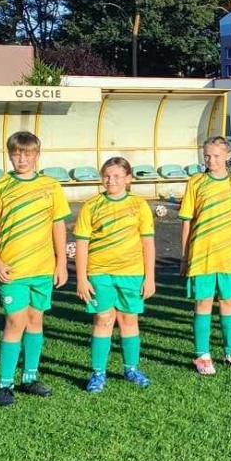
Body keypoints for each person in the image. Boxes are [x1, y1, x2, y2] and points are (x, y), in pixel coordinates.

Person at [0, 129, 73, 404]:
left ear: (37, 155)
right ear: (9, 155)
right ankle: (4, 384)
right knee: (15, 321)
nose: (22, 159)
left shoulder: (51, 186)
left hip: (43, 268)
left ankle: (29, 378)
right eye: (17, 154)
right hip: (12, 270)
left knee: (35, 320)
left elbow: (58, 225)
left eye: (28, 153)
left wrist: (61, 263)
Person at [74, 156, 156, 390]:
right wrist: (81, 278)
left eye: (117, 176)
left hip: (132, 273)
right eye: (107, 176)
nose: (111, 181)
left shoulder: (139, 205)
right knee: (103, 318)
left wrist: (150, 278)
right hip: (100, 272)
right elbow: (81, 244)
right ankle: (98, 373)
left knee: (129, 319)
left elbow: (148, 244)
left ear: (128, 179)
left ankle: (131, 369)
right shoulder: (91, 205)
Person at [179, 134, 231, 375]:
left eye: (216, 156)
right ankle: (202, 356)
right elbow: (187, 222)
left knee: (228, 301)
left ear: (228, 156)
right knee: (203, 303)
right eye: (207, 156)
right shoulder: (195, 183)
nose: (211, 160)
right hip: (202, 254)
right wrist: (184, 256)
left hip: (230, 255)